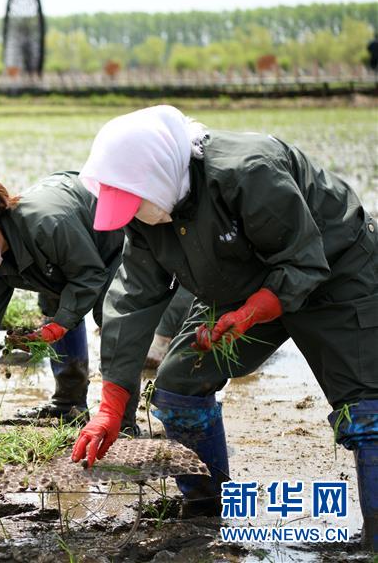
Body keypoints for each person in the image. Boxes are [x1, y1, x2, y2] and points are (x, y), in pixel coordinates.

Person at [69, 105, 377, 549]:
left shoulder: (248, 170)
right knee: (178, 383)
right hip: (237, 283)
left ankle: (375, 541)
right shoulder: (149, 211)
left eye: (134, 203)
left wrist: (254, 312)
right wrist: (112, 403)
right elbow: (132, 296)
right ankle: (207, 511)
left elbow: (304, 259)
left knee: (365, 409)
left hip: (335, 271)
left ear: (157, 173)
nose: (133, 214)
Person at [0, 173, 190, 429]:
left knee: (113, 320)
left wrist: (60, 325)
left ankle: (121, 421)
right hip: (65, 255)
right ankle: (69, 405)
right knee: (54, 301)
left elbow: (89, 276)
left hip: (113, 244)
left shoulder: (48, 225)